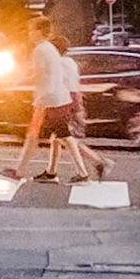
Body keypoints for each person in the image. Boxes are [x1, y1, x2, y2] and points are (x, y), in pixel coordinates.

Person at [12, 20, 104, 183]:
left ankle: (20, 171)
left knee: (43, 137)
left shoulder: (40, 50)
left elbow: (38, 76)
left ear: (39, 32)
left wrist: (16, 81)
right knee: (59, 136)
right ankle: (57, 172)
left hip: (49, 99)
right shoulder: (50, 49)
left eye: (31, 30)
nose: (29, 33)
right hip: (55, 98)